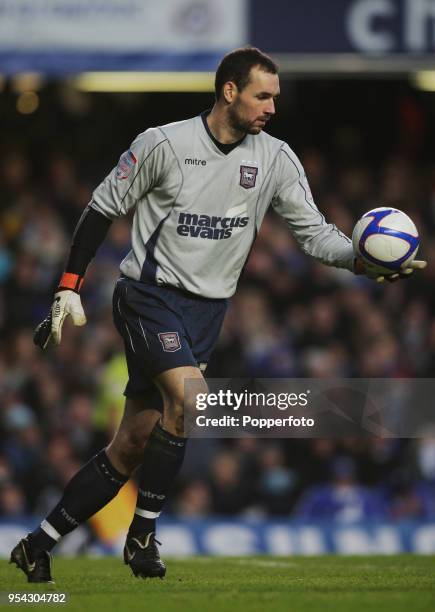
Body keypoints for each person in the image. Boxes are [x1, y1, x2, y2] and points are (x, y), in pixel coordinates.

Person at [10, 46, 426, 584]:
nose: (272, 107)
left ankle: (36, 544)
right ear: (229, 90)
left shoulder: (276, 158)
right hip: (148, 296)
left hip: (208, 311)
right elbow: (101, 208)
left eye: (275, 96)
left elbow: (314, 232)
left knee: (131, 447)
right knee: (191, 400)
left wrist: (360, 260)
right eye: (262, 95)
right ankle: (142, 536)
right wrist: (69, 286)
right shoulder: (163, 144)